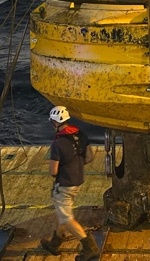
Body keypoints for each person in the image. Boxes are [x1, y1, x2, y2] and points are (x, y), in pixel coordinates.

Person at [39, 106, 99, 261]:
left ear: (55, 122)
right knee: (63, 212)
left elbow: (53, 171)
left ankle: (90, 247)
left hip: (65, 185)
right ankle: (55, 243)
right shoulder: (80, 133)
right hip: (78, 181)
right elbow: (89, 157)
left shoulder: (58, 144)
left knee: (67, 218)